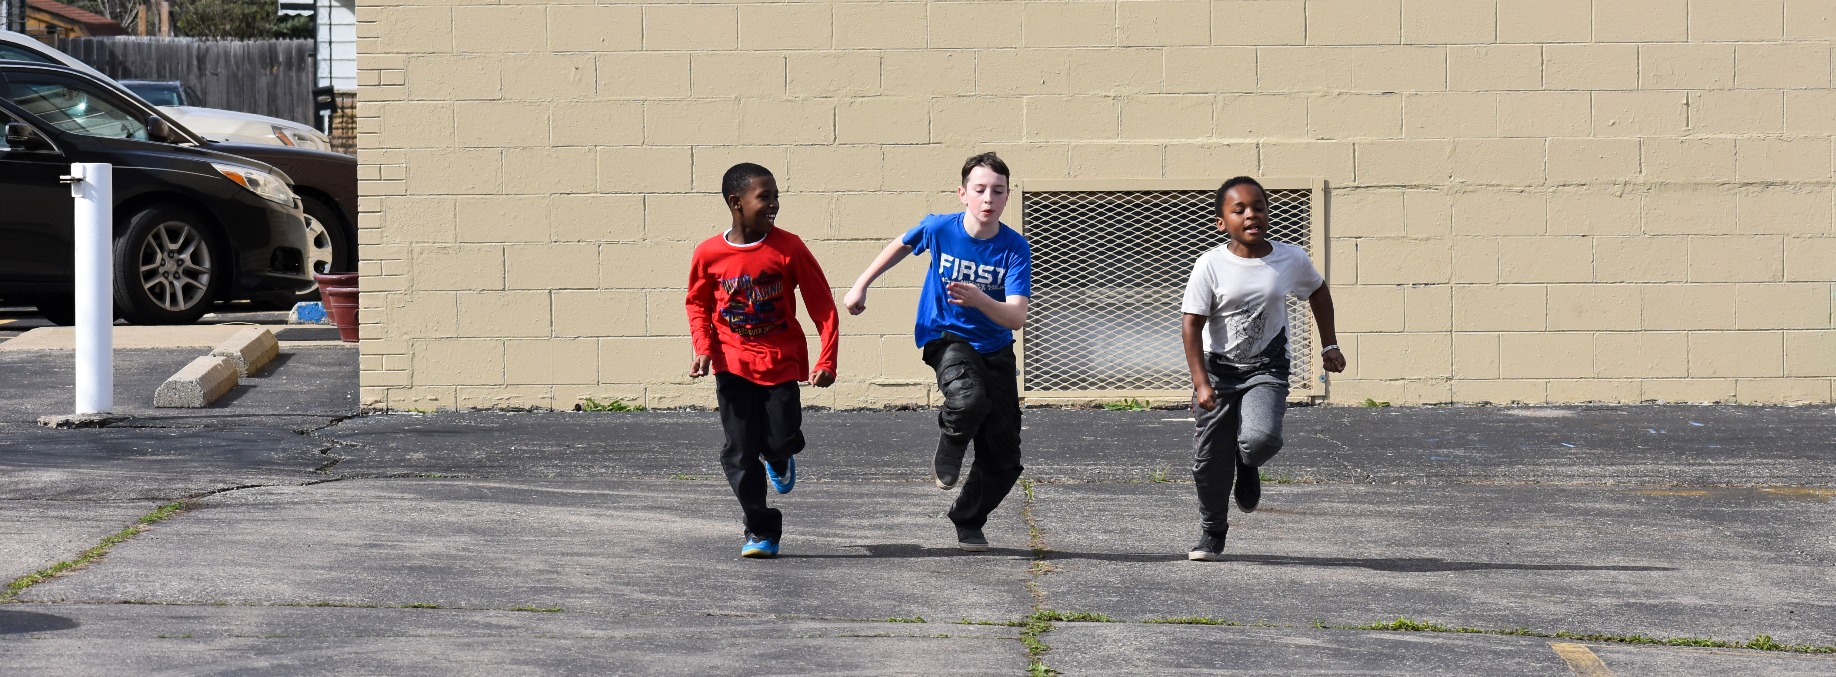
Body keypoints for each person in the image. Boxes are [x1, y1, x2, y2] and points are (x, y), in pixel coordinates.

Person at [842, 152, 1031, 553]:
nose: (988, 199)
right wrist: (861, 284)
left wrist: (980, 299)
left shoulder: (1014, 248)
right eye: (979, 190)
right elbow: (900, 244)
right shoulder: (940, 228)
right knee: (968, 399)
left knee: (1005, 458)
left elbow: (1015, 316)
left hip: (996, 347)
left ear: (1007, 196)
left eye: (997, 192)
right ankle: (951, 441)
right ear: (963, 194)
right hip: (945, 336)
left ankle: (968, 518)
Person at [1180, 176, 1345, 562]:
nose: (1251, 214)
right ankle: (1212, 533)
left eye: (1258, 207)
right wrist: (1200, 383)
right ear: (1222, 222)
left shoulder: (1290, 258)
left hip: (1267, 368)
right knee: (1208, 462)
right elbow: (1191, 324)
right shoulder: (1211, 264)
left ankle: (1247, 460)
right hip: (1219, 372)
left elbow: (1318, 292)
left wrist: (1330, 344)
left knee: (1261, 439)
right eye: (1239, 210)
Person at [686, 163, 839, 559]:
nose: (773, 204)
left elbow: (822, 304)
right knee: (738, 452)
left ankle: (780, 453)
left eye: (775, 196)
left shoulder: (789, 247)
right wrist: (703, 347)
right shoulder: (709, 253)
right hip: (731, 364)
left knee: (780, 438)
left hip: (780, 363)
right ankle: (760, 530)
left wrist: (827, 358)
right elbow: (698, 305)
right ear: (736, 203)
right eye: (764, 197)